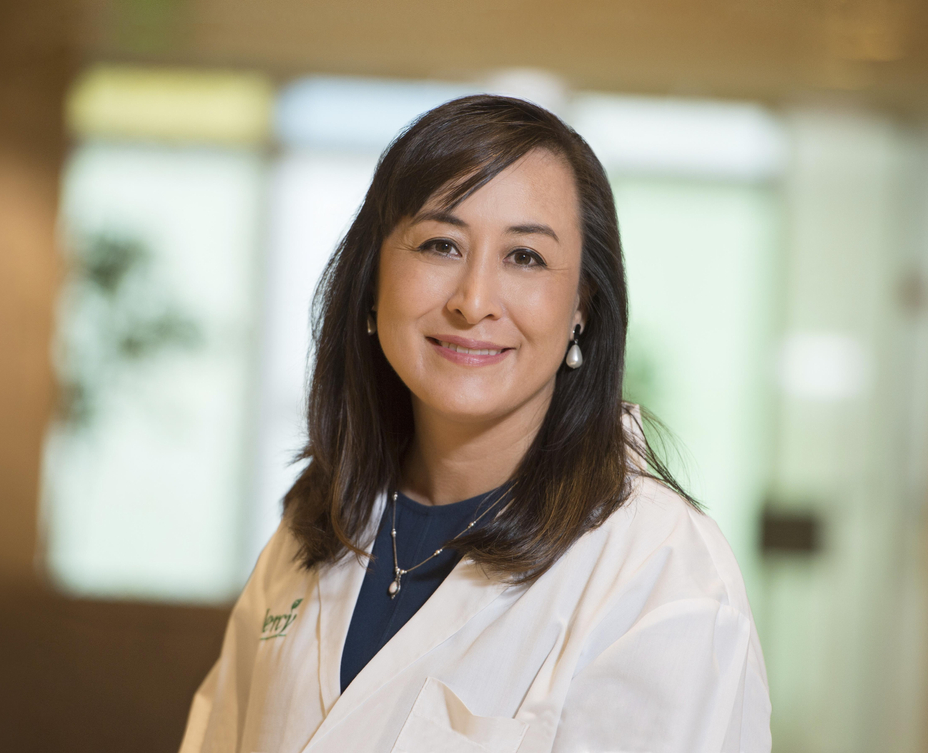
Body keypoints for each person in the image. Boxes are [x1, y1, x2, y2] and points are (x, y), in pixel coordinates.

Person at [178, 95, 770, 752]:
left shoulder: (658, 570)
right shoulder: (316, 521)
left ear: (582, 304)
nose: (474, 301)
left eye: (525, 256)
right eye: (441, 245)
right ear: (374, 279)